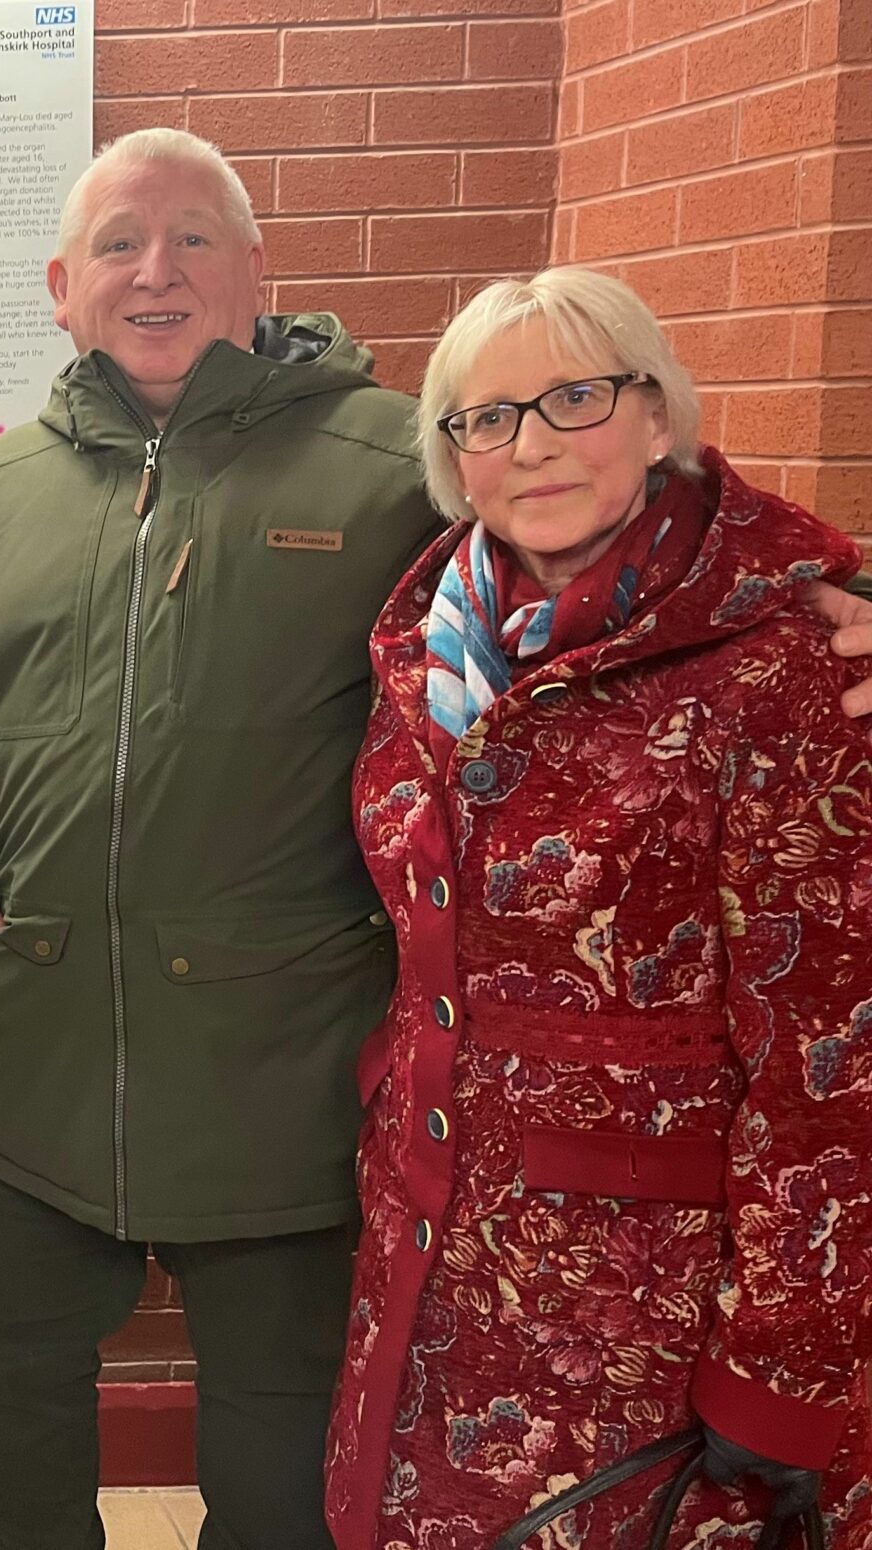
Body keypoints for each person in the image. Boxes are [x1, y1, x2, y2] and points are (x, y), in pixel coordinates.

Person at [0, 127, 872, 1550]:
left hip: (289, 1080)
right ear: (62, 286)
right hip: (25, 1056)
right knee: (9, 1410)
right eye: (122, 245)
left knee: (284, 1459)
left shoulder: (399, 459)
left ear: (256, 271)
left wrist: (831, 593)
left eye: (196, 236)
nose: (159, 271)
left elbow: (634, 534)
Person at [328, 267, 872, 1548]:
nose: (531, 444)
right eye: (488, 416)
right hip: (436, 1249)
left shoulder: (781, 662)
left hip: (655, 1302)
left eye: (575, 396)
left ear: (655, 416)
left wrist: (783, 1370)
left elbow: (833, 1056)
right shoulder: (428, 648)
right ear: (453, 457)